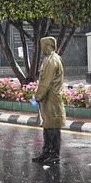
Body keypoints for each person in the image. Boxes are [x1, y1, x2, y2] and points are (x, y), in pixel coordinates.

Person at [32, 36, 66, 165]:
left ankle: (54, 154)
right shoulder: (49, 59)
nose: (41, 48)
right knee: (47, 126)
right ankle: (47, 152)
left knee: (53, 127)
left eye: (43, 45)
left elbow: (45, 83)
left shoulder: (52, 60)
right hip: (49, 98)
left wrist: (37, 97)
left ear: (47, 45)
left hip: (52, 98)